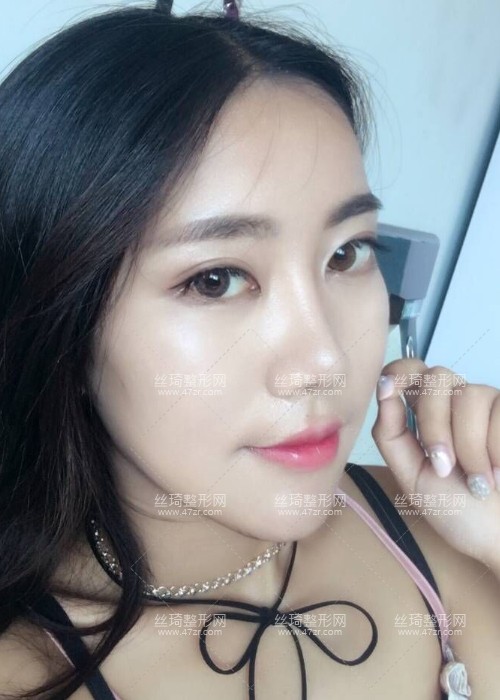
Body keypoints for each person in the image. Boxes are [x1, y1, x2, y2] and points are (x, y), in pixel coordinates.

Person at [0, 1, 499, 698]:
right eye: (215, 279)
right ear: (63, 327)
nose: (325, 363)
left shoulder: (448, 527)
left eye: (346, 253)